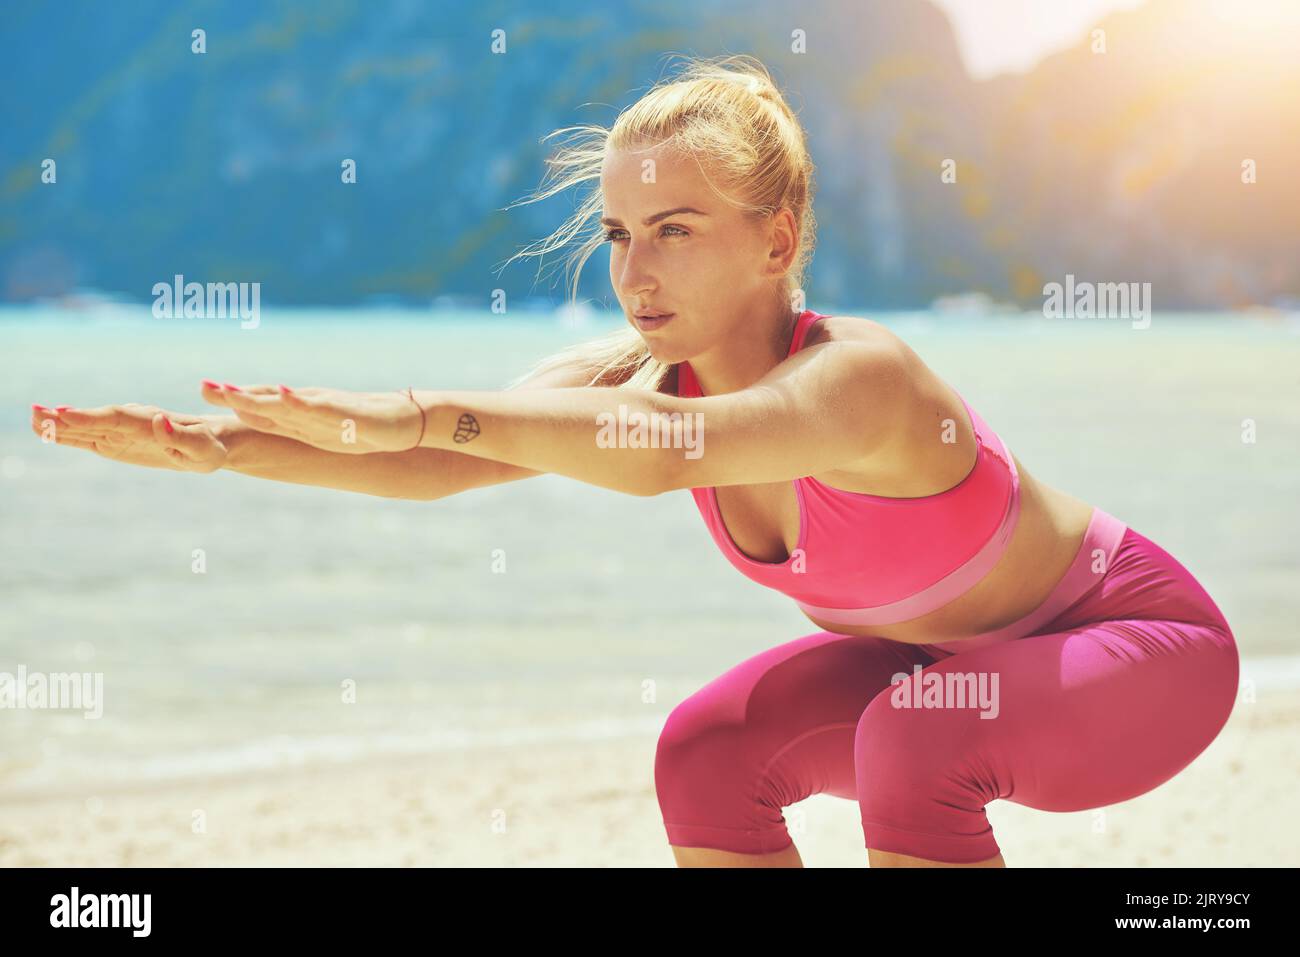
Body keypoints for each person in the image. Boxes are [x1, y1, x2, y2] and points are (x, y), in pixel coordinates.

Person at [30, 54, 1239, 868]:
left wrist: (414, 407)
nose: (634, 270)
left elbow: (668, 455)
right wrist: (221, 449)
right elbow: (446, 463)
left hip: (1135, 656)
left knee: (913, 739)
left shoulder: (862, 380)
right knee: (707, 753)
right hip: (949, 670)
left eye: (674, 231)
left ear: (774, 239)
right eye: (616, 235)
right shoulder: (631, 376)